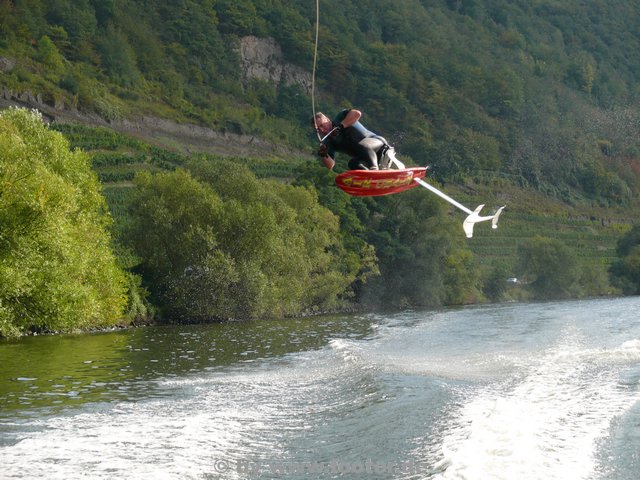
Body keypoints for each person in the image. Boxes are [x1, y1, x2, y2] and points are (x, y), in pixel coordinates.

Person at [312, 109, 398, 171]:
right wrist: (324, 155)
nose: (322, 130)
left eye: (322, 125)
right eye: (318, 129)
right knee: (352, 164)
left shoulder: (340, 118)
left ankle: (374, 170)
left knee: (363, 145)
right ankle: (370, 177)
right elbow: (331, 165)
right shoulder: (328, 142)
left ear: (327, 119)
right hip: (367, 157)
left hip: (379, 145)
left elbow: (357, 113)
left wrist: (341, 126)